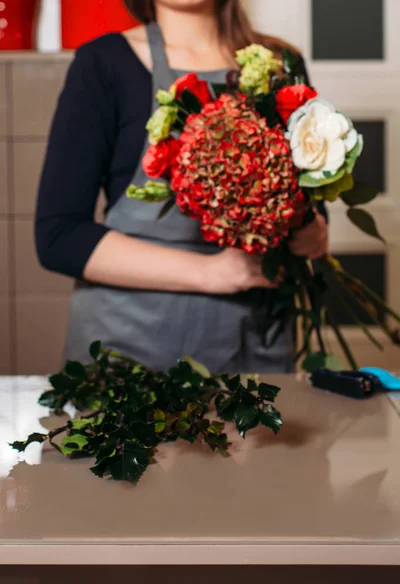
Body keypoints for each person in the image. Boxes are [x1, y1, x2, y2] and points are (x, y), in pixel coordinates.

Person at [35, 0, 328, 374]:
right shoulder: (104, 63)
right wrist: (215, 272)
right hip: (129, 358)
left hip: (253, 353)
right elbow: (59, 237)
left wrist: (309, 229)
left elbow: (314, 224)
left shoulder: (281, 65)